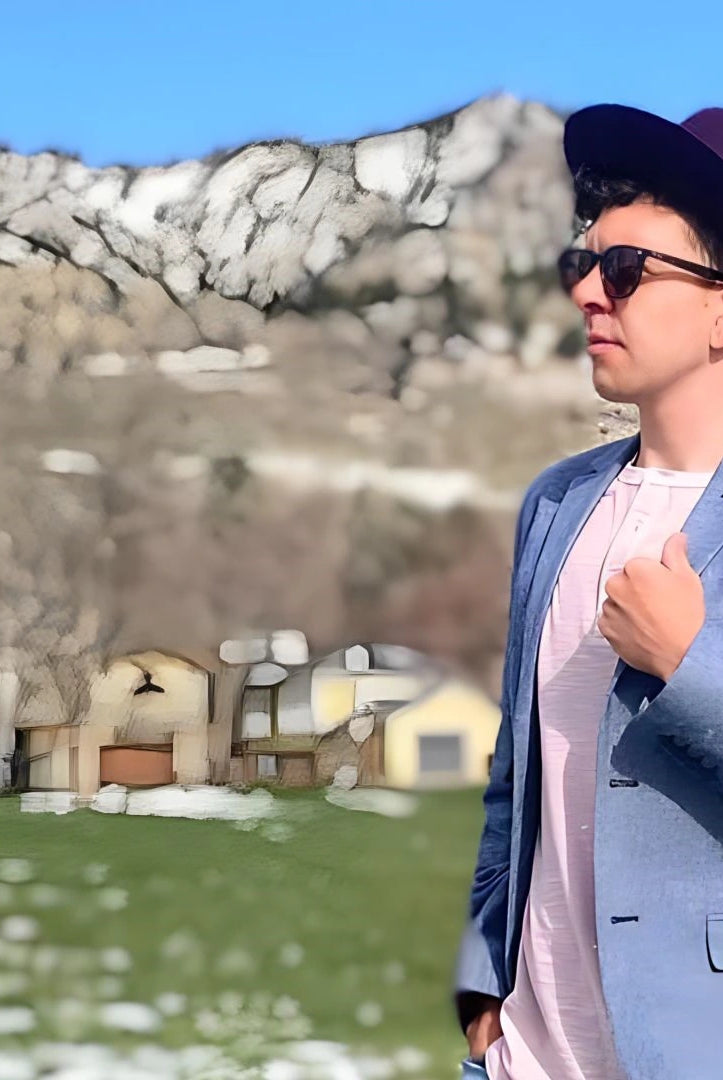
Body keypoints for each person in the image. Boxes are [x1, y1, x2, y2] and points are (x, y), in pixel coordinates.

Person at [454, 102, 723, 1080]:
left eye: (626, 271)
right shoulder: (556, 504)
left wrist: (689, 670)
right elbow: (510, 781)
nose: (587, 296)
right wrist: (480, 985)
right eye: (584, 265)